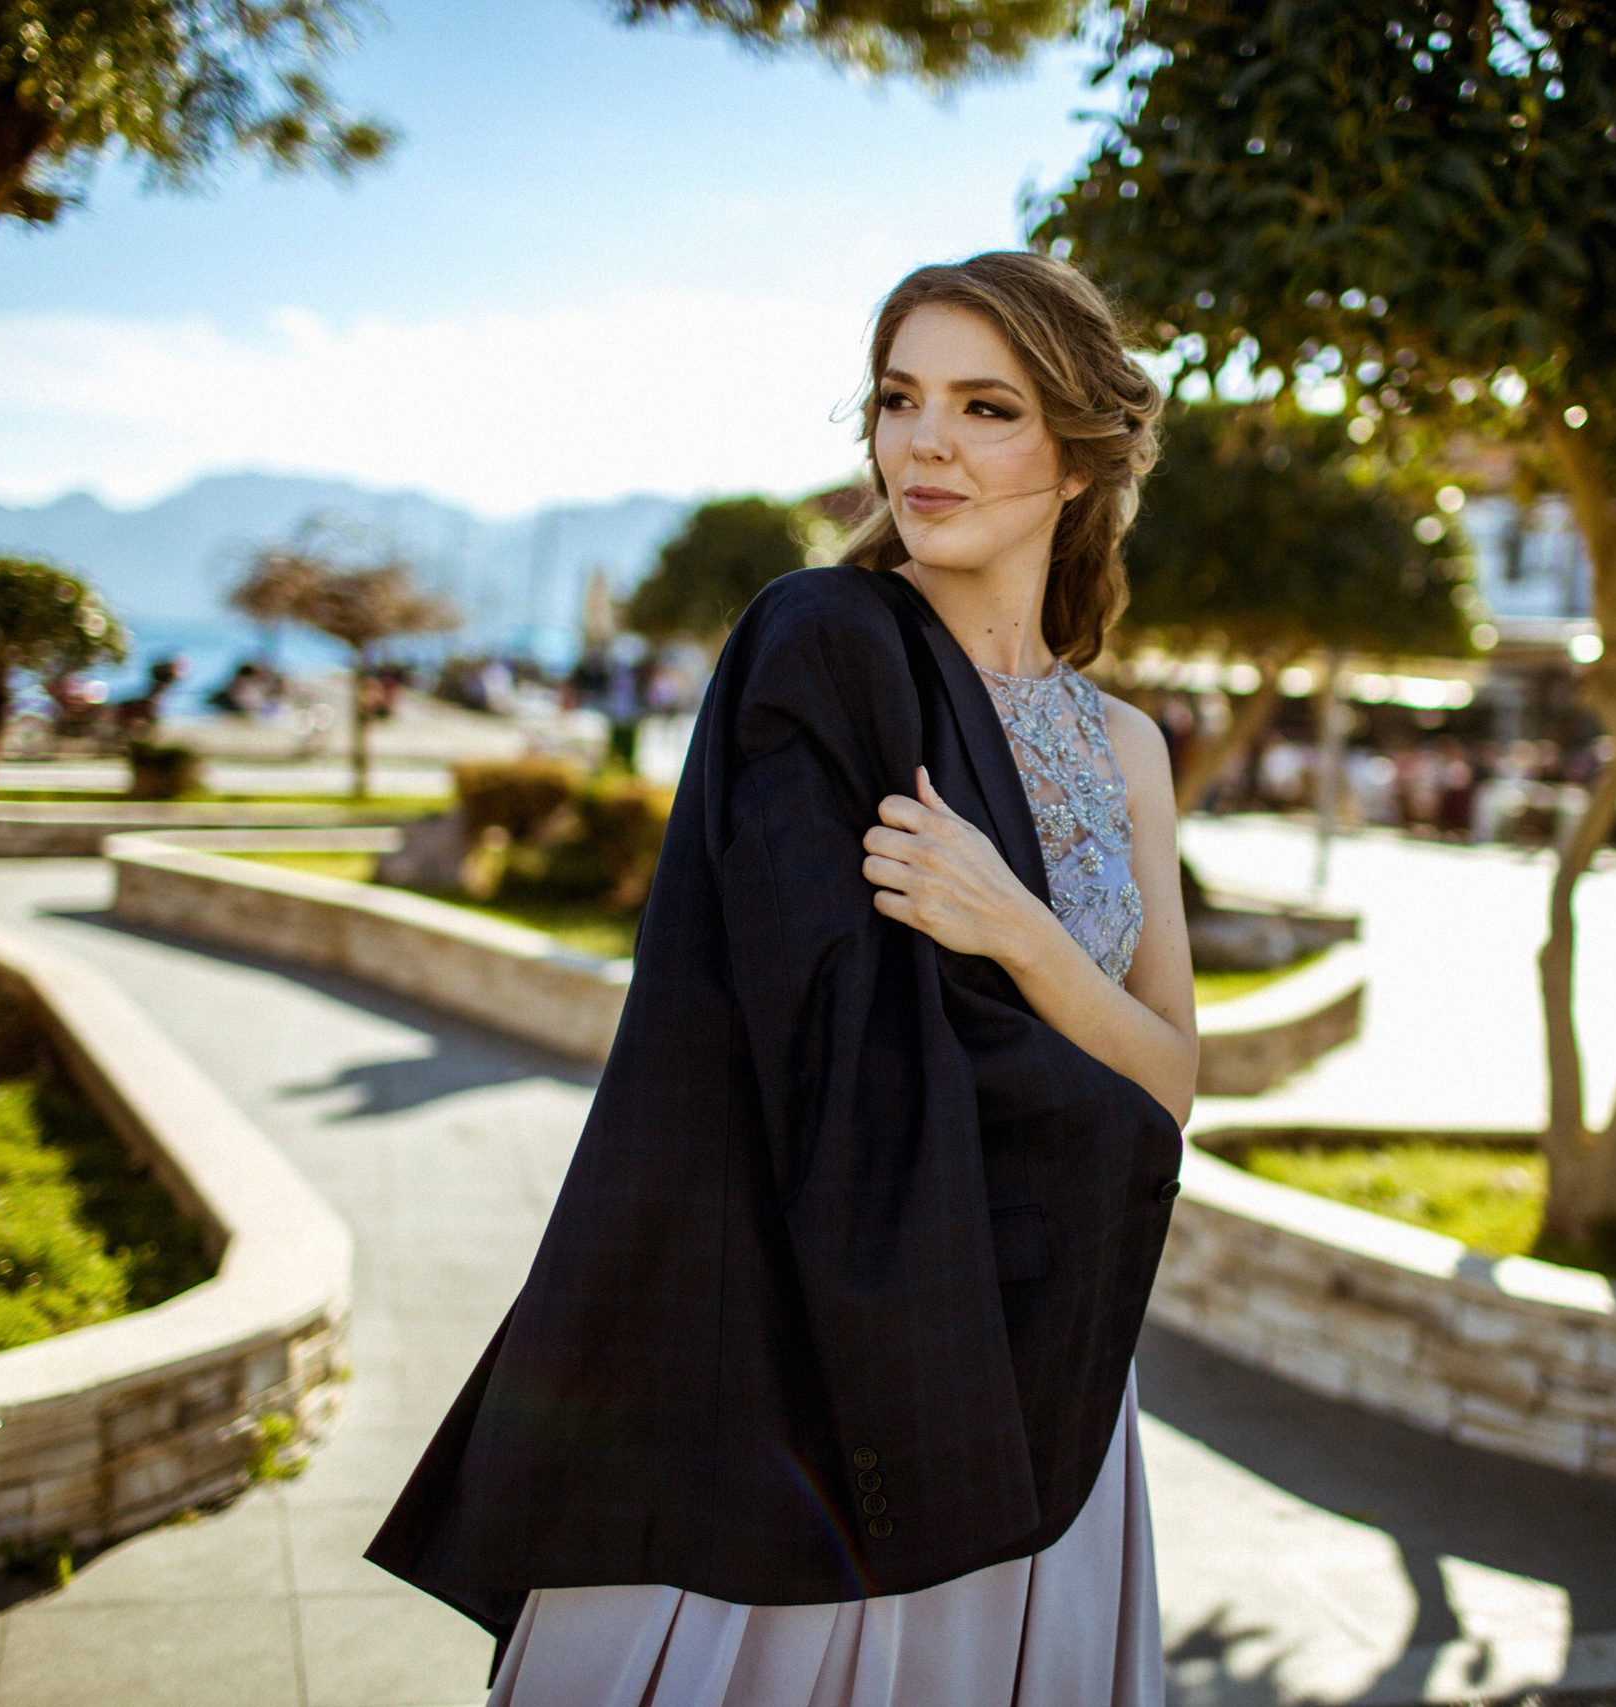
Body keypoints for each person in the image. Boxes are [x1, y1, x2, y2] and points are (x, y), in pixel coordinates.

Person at [366, 251, 1195, 1707]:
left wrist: (1019, 930)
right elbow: (806, 1046)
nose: (924, 441)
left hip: (1051, 1343)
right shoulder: (825, 645)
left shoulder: (1126, 748)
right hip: (834, 1342)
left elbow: (1173, 1082)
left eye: (985, 406)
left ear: (1076, 457)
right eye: (898, 398)